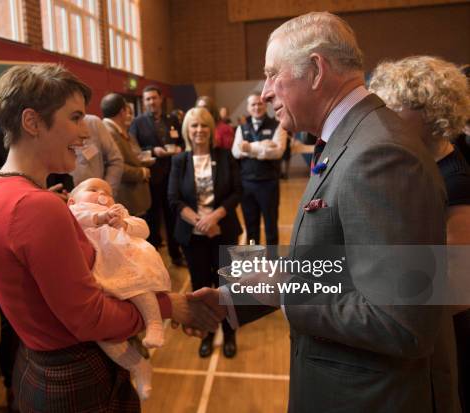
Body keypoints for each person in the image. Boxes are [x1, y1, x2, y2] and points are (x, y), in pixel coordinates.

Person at [187, 12, 453, 412]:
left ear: (315, 69)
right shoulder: (352, 139)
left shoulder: (381, 153)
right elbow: (344, 265)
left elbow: (401, 321)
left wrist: (285, 291)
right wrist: (237, 298)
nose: (265, 92)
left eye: (273, 74)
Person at [0, 63, 218, 412]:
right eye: (74, 118)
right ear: (31, 122)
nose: (84, 133)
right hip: (76, 375)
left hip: (37, 366)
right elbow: (89, 317)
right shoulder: (36, 206)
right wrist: (171, 306)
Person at [370, 55, 470, 413]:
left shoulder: (455, 180)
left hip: (447, 345)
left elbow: (457, 291)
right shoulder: (416, 166)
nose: (387, 117)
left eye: (397, 108)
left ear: (431, 113)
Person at [67, 177, 171, 400]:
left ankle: (154, 324)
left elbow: (143, 228)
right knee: (103, 334)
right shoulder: (74, 212)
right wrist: (99, 216)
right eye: (93, 189)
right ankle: (137, 365)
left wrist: (124, 224)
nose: (102, 194)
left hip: (124, 265)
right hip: (98, 274)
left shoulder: (118, 212)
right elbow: (78, 217)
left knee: (140, 288)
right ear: (72, 201)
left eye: (107, 191)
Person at [168, 108, 243, 358]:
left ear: (211, 129)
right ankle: (207, 333)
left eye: (204, 125)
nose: (199, 130)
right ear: (187, 130)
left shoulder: (224, 156)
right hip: (193, 237)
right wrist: (200, 221)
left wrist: (215, 216)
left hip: (223, 230)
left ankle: (230, 333)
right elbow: (173, 199)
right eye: (194, 126)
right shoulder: (179, 161)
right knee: (201, 287)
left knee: (227, 285)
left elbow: (237, 192)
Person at [130, 85, 185, 266]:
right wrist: (154, 150)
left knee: (173, 216)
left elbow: (182, 142)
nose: (151, 102)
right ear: (144, 102)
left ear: (161, 99)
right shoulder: (137, 123)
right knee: (153, 219)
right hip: (152, 177)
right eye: (147, 99)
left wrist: (179, 149)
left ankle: (176, 255)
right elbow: (135, 150)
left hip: (174, 175)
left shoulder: (172, 119)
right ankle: (154, 259)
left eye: (154, 98)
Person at [232, 92, 287, 247]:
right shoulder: (241, 128)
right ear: (248, 108)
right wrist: (263, 146)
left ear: (265, 105)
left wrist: (249, 148)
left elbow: (278, 152)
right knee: (251, 227)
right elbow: (235, 152)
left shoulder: (278, 125)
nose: (257, 107)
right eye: (253, 104)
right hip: (246, 185)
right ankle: (253, 262)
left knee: (270, 225)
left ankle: (272, 263)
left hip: (268, 184)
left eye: (259, 104)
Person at [0, 119, 74, 193]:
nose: (85, 132)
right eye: (75, 118)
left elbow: (63, 176)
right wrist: (41, 197)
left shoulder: (47, 130)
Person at [101, 93, 151, 217]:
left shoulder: (115, 130)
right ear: (122, 111)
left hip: (133, 195)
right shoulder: (109, 131)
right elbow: (116, 167)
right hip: (127, 196)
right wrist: (142, 172)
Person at [70, 114, 123, 197]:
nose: (86, 134)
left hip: (98, 201)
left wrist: (105, 192)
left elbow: (116, 160)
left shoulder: (93, 123)